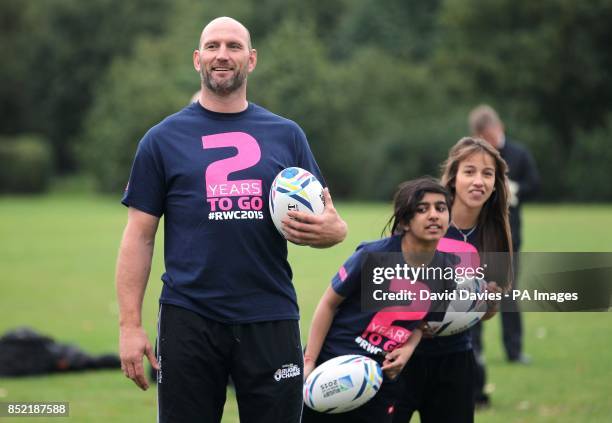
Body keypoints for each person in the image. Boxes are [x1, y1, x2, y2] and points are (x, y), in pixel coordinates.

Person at [116, 17, 347, 423]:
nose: (222, 55)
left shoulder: (286, 134)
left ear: (252, 59)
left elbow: (332, 221)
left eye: (234, 46)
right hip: (189, 317)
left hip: (269, 314)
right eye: (213, 46)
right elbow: (140, 237)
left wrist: (333, 232)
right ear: (197, 59)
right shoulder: (161, 139)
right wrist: (130, 326)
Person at [302, 177, 457, 423]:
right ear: (405, 220)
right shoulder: (373, 255)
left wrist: (407, 350)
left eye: (441, 208)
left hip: (380, 380)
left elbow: (421, 326)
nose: (434, 215)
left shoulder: (446, 272)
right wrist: (309, 361)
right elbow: (328, 304)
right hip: (332, 368)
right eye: (422, 209)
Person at [393, 137, 512, 422]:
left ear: (496, 183)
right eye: (469, 171)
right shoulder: (423, 216)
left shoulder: (496, 233)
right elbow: (388, 284)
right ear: (453, 177)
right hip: (401, 353)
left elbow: (484, 315)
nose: (478, 181)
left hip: (455, 358)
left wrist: (489, 302)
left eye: (487, 174)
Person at [468, 104, 540, 367]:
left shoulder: (519, 154)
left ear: (500, 129)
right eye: (483, 137)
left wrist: (515, 189)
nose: (489, 142)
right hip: (477, 234)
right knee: (473, 291)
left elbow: (536, 185)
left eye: (491, 135)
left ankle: (514, 350)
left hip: (509, 233)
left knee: (508, 293)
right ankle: (473, 350)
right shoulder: (473, 157)